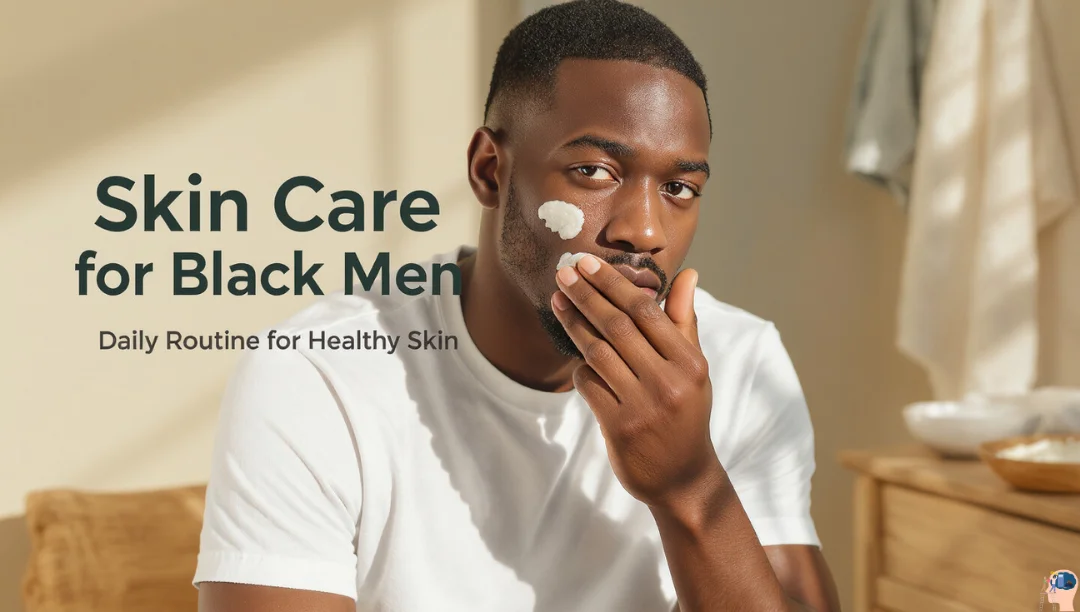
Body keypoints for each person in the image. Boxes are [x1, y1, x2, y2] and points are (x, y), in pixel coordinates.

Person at [193, 1, 841, 610]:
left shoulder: (741, 363)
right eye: (593, 171)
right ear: (488, 170)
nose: (644, 230)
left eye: (678, 186)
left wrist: (690, 486)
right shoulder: (318, 375)